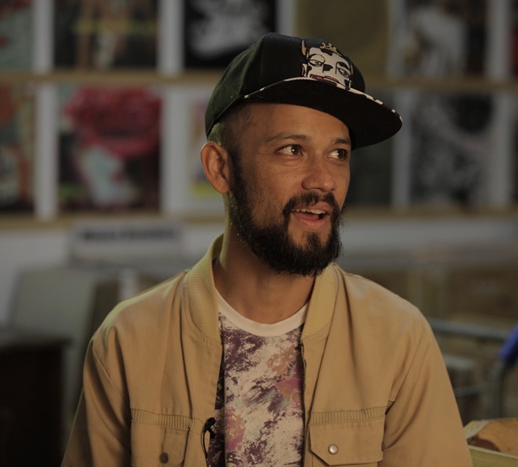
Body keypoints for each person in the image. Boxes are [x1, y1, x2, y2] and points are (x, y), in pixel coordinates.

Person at [62, 32, 473, 466]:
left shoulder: (398, 338)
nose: (324, 180)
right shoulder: (129, 339)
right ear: (220, 168)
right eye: (293, 150)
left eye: (338, 153)